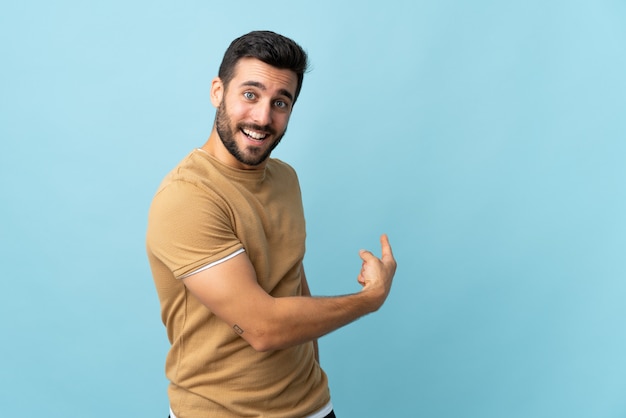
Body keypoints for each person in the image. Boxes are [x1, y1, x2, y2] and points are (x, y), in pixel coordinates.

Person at [146, 30, 397, 418]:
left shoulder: (285, 179)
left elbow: (292, 279)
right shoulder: (187, 197)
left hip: (312, 406)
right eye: (250, 94)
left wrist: (310, 377)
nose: (263, 117)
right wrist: (370, 299)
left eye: (280, 102)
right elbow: (263, 328)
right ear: (218, 91)